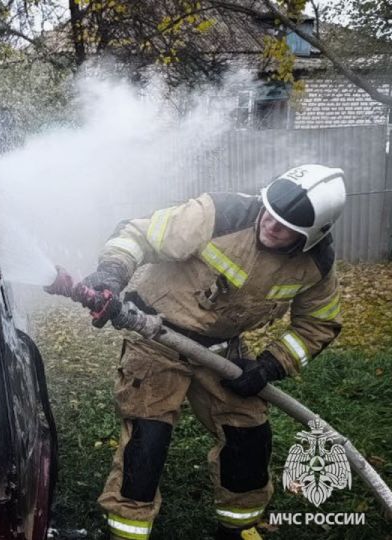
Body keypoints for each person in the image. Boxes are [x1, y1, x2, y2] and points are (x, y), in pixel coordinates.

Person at [45, 164, 346, 540]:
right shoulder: (219, 215)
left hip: (224, 353)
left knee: (249, 438)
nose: (270, 224)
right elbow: (138, 235)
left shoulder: (316, 265)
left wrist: (270, 366)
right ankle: (127, 531)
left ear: (311, 237)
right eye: (269, 212)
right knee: (147, 442)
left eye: (285, 227)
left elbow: (318, 324)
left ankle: (237, 527)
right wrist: (111, 273)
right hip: (157, 338)